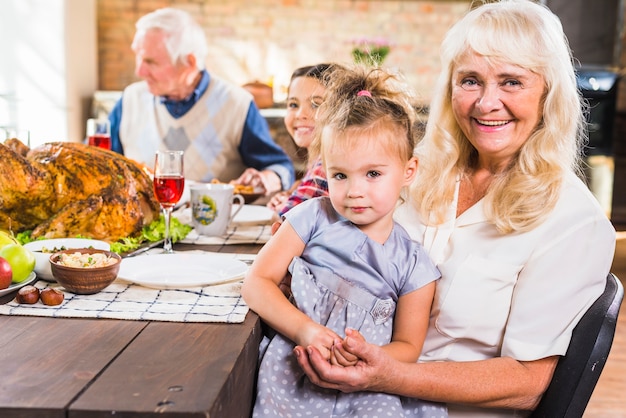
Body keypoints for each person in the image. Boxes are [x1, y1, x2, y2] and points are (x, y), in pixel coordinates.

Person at [292, 1, 617, 417]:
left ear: (548, 92)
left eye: (511, 82)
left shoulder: (573, 221)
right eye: (470, 81)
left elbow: (528, 384)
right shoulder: (419, 167)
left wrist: (387, 375)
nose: (486, 103)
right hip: (353, 388)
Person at [242, 65, 447, 417]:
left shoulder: (415, 264)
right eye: (339, 175)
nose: (355, 191)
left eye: (373, 174)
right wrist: (305, 331)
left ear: (408, 171)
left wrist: (365, 357)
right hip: (294, 368)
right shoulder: (312, 217)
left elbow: (409, 346)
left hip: (369, 383)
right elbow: (256, 283)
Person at [108, 7, 294, 195]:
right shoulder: (130, 100)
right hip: (140, 222)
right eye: (138, 57)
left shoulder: (236, 104)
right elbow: (97, 161)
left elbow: (281, 167)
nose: (139, 71)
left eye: (151, 62)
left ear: (189, 62)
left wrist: (269, 177)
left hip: (212, 222)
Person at [266, 63, 331, 218]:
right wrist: (292, 193)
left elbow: (288, 221)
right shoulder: (317, 164)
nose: (300, 114)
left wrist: (285, 206)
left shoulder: (326, 167)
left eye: (316, 104)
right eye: (293, 104)